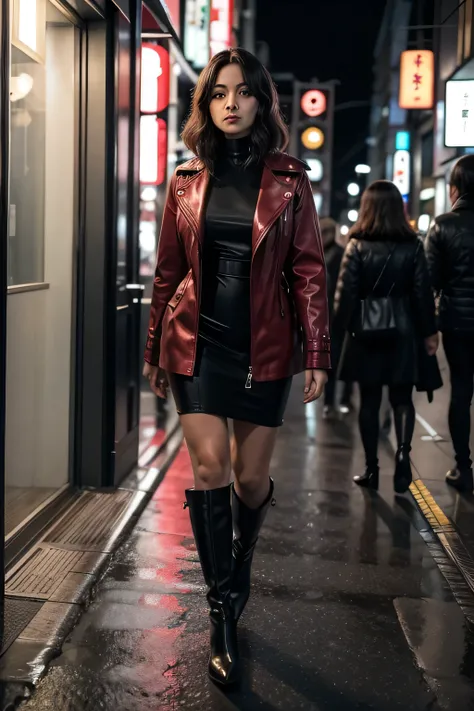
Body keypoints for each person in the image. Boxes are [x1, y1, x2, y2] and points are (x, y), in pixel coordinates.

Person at [142, 48, 330, 686]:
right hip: (196, 342)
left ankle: (237, 563)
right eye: (218, 92)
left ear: (260, 101)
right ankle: (222, 609)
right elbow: (168, 272)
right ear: (207, 103)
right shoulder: (187, 180)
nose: (229, 102)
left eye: (241, 92)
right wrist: (153, 351)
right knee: (211, 468)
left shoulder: (289, 180)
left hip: (266, 348)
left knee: (251, 481)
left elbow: (308, 270)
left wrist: (318, 353)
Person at [334, 180, 438, 493]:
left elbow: (345, 295)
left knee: (369, 400)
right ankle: (404, 455)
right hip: (404, 332)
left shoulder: (357, 245)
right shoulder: (414, 245)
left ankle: (371, 469)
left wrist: (337, 333)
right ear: (398, 209)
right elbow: (423, 293)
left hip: (366, 332)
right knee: (402, 398)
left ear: (367, 208)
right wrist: (429, 332)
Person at [426, 155, 474, 493]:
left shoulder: (443, 225)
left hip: (458, 323)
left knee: (461, 393)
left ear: (454, 189)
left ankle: (463, 467)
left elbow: (430, 280)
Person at [320, 217, 344, 417]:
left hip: (333, 314)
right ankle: (331, 400)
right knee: (330, 359)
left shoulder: (335, 254)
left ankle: (333, 400)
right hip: (328, 314)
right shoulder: (325, 252)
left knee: (333, 359)